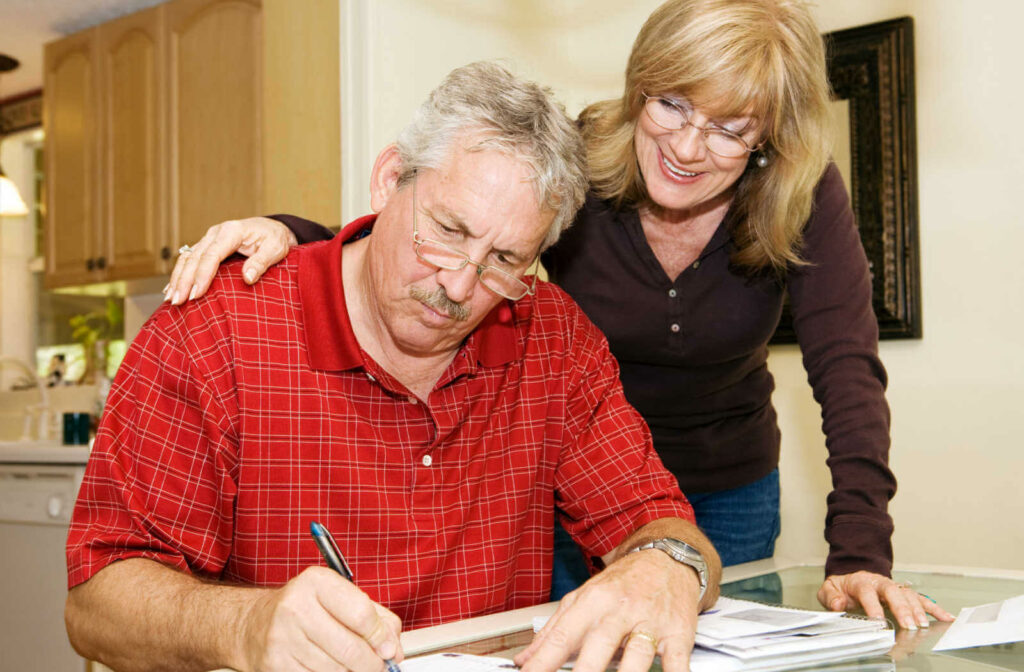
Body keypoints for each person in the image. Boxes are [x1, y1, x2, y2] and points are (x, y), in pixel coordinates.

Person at [165, 0, 954, 631]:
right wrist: (293, 237)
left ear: (767, 139)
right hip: (579, 474)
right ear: (641, 85)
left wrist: (860, 553)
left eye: (727, 127)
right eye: (671, 105)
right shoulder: (579, 157)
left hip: (727, 482)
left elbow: (846, 367)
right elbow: (443, 225)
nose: (686, 145)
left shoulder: (801, 195)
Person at [65, 62, 721, 672]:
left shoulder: (551, 336)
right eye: (448, 232)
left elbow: (657, 524)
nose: (460, 287)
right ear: (389, 179)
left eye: (504, 262)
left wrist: (668, 563)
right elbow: (96, 605)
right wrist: (243, 626)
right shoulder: (213, 331)